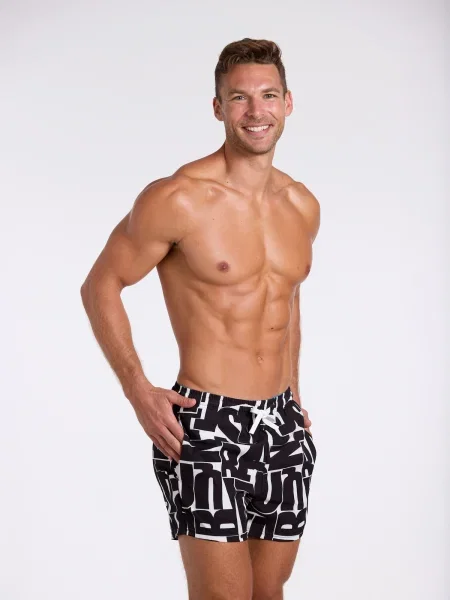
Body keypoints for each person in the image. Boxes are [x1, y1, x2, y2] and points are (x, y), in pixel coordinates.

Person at [81, 37, 320, 600]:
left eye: (268, 96)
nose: (256, 111)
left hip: (281, 425)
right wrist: (138, 389)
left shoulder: (302, 205)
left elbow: (286, 299)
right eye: (239, 98)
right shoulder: (178, 198)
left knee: (269, 592)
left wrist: (292, 392)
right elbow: (101, 285)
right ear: (218, 108)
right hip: (207, 424)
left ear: (288, 102)